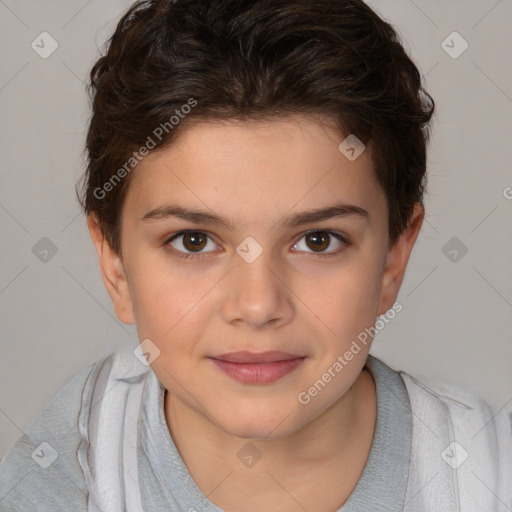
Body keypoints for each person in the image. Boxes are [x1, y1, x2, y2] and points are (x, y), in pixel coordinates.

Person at [1, 0, 511, 510]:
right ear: (115, 266)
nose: (258, 304)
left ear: (394, 257)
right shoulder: (70, 470)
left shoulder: (488, 474)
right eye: (193, 241)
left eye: (318, 240)